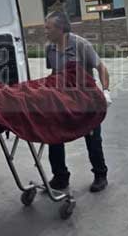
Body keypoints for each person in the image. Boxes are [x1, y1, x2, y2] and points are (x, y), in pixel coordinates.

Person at [43, 11, 112, 193]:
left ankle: (100, 175)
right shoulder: (49, 48)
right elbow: (54, 73)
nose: (45, 32)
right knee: (54, 135)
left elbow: (101, 68)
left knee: (92, 137)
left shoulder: (82, 45)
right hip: (63, 99)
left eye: (48, 28)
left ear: (60, 29)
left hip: (85, 98)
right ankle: (60, 177)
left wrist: (106, 92)